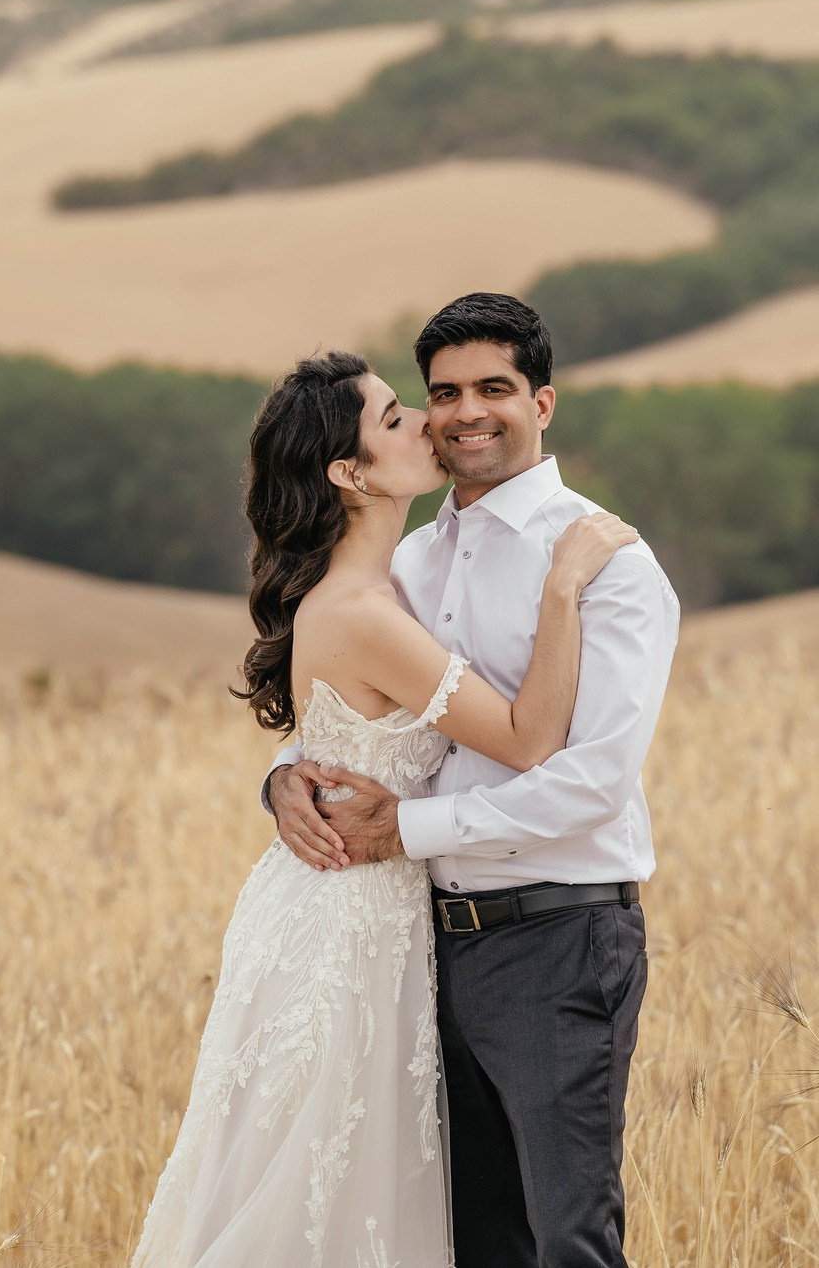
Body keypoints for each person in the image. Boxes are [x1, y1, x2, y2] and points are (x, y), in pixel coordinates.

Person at [129, 345, 638, 1268]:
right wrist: (565, 586)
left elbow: (331, 738)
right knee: (321, 1190)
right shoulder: (364, 606)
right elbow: (527, 739)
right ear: (350, 472)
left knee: (343, 1185)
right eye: (399, 415)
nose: (431, 424)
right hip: (349, 919)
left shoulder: (396, 578)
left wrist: (286, 774)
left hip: (365, 909)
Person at [269, 294, 680, 1268]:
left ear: (542, 402)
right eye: (441, 394)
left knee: (564, 1238)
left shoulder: (607, 564)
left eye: (493, 388)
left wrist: (404, 829)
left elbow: (590, 783)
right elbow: (365, 711)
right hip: (419, 953)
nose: (464, 413)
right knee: (465, 1242)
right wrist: (283, 776)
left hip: (556, 935)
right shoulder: (408, 559)